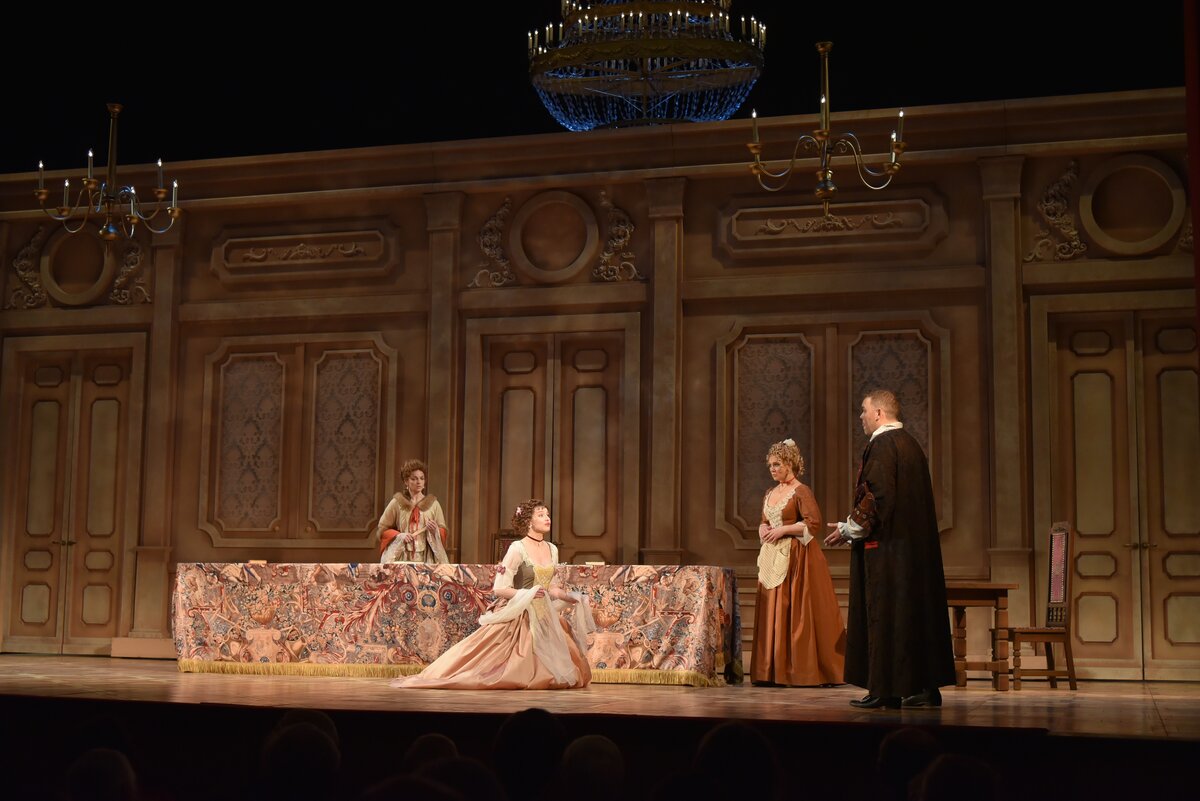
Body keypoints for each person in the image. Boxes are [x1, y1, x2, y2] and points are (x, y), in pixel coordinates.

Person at [825, 390, 955, 709]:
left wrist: (848, 529)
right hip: (912, 552)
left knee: (884, 616)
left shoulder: (883, 444)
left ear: (879, 413)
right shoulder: (911, 444)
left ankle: (885, 691)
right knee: (912, 617)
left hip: (887, 552)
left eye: (863, 410)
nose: (861, 416)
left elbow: (877, 497)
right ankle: (925, 688)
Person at [391, 499, 593, 690]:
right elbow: (500, 588)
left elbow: (552, 587)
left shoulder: (552, 549)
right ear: (529, 522)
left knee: (570, 668)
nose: (547, 518)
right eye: (541, 515)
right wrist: (528, 593)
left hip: (545, 615)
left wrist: (571, 597)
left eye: (547, 514)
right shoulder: (518, 548)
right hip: (521, 613)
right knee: (499, 665)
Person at [751, 438, 845, 686]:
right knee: (773, 607)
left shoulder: (801, 491)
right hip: (772, 555)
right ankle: (770, 670)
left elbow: (813, 524)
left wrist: (783, 530)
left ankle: (796, 670)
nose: (772, 469)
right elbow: (765, 520)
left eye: (777, 464)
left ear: (790, 463)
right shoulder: (771, 492)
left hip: (797, 556)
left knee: (794, 608)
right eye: (770, 465)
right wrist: (762, 528)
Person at [376, 459, 449, 564]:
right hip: (402, 556)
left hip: (426, 557)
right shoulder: (397, 503)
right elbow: (383, 529)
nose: (418, 482)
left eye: (421, 478)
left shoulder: (433, 504)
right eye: (414, 479)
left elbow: (443, 530)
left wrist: (435, 531)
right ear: (406, 481)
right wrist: (400, 536)